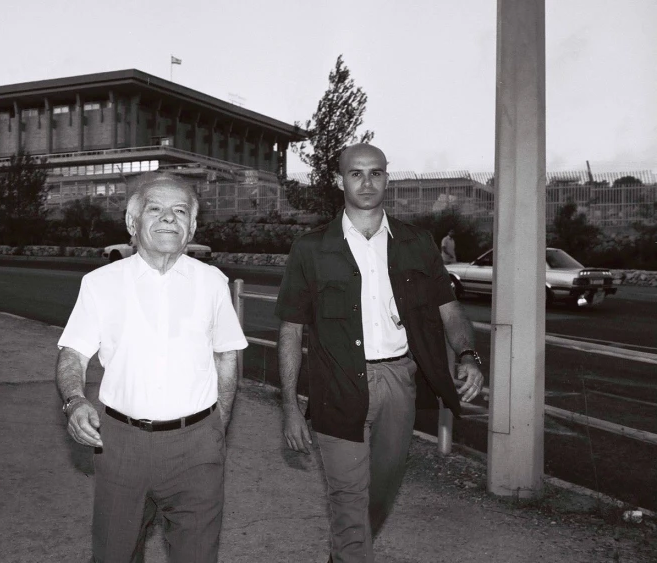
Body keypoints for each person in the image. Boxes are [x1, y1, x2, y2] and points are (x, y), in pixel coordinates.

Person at [275, 144, 484, 563]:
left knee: (380, 494)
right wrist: (290, 406)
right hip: (337, 386)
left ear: (387, 178)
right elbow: (291, 330)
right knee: (348, 497)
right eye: (356, 173)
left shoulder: (417, 243)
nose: (366, 182)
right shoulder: (311, 248)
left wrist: (467, 355)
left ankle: (346, 552)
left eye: (375, 173)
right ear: (341, 181)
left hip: (398, 382)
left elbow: (449, 309)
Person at [55, 172, 248, 563]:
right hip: (121, 444)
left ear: (192, 226)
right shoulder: (100, 283)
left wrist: (218, 427)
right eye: (155, 208)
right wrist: (75, 400)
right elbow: (73, 353)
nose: (168, 218)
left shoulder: (213, 282)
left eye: (180, 211)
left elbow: (227, 356)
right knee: (114, 553)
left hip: (197, 445)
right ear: (132, 222)